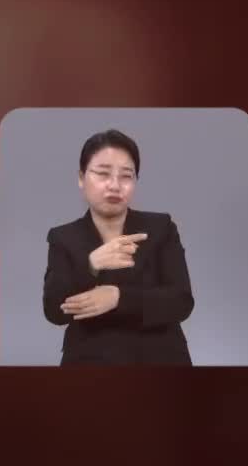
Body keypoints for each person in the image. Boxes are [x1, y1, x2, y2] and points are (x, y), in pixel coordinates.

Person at [42, 128, 194, 364]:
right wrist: (90, 265)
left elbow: (181, 301)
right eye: (103, 173)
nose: (115, 185)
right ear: (81, 177)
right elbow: (54, 311)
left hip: (160, 360)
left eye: (126, 175)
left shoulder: (160, 227)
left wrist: (118, 297)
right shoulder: (63, 237)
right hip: (90, 363)